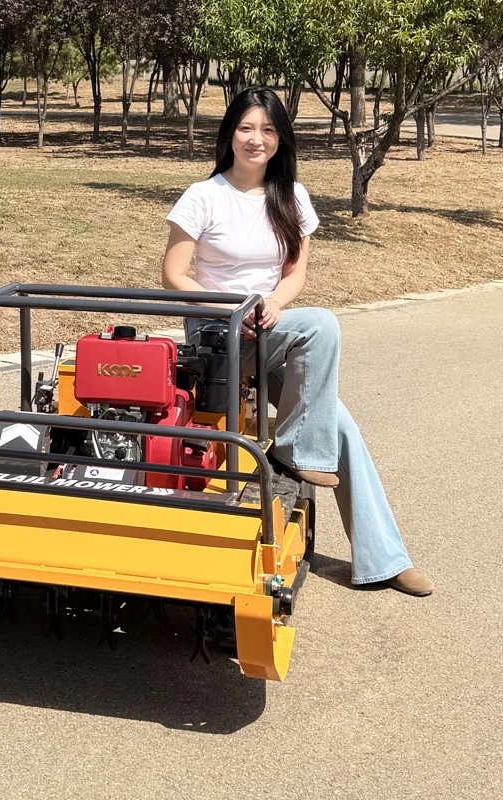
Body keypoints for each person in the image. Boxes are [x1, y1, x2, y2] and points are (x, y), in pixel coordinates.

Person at [161, 87, 433, 596]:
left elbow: (294, 273)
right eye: (245, 128)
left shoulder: (292, 197)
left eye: (267, 130)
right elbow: (174, 275)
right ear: (229, 135)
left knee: (340, 426)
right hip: (218, 334)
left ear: (281, 139)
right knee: (324, 325)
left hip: (271, 329)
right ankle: (297, 449)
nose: (256, 139)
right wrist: (236, 307)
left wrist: (274, 304)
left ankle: (383, 559)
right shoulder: (204, 195)